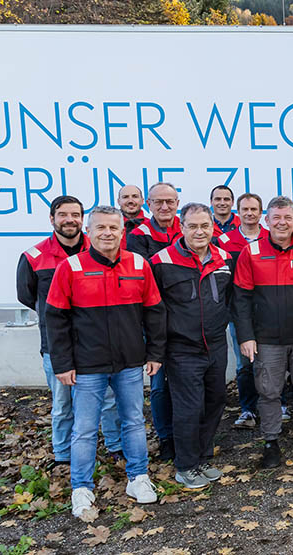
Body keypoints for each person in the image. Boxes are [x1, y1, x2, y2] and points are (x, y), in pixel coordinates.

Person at [44, 205, 163, 518]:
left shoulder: (139, 264)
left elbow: (154, 311)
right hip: (86, 366)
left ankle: (138, 478)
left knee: (135, 421)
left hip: (130, 363)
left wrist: (155, 353)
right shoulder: (70, 267)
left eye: (113, 228)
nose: (107, 233)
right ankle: (81, 487)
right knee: (84, 428)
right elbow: (55, 320)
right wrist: (62, 363)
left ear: (122, 231)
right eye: (101, 228)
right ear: (89, 231)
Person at [17, 196, 122, 467]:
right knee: (63, 405)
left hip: (99, 344)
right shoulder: (34, 257)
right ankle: (63, 455)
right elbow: (27, 296)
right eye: (63, 215)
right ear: (52, 219)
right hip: (57, 345)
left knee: (109, 401)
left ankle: (114, 446)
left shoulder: (101, 250)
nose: (69, 220)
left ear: (83, 221)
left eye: (75, 214)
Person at [233, 196, 293, 468]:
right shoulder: (250, 253)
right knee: (269, 392)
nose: (282, 222)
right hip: (266, 340)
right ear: (266, 221)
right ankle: (271, 442)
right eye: (276, 217)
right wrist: (246, 336)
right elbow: (240, 299)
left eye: (287, 217)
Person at [150, 203, 233, 490]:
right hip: (181, 348)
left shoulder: (224, 258)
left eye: (205, 226)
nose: (200, 231)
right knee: (189, 407)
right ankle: (185, 465)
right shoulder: (161, 261)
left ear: (213, 227)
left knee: (215, 400)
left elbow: (230, 299)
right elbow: (152, 308)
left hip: (216, 345)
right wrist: (156, 350)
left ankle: (203, 456)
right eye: (193, 226)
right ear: (181, 227)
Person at [125, 181, 180, 461]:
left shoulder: (189, 227)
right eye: (158, 202)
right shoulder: (138, 235)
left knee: (187, 382)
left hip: (187, 318)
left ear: (177, 203)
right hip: (155, 320)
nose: (164, 207)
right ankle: (166, 437)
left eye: (169, 201)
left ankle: (186, 434)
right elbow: (146, 276)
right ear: (149, 204)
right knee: (159, 385)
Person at [217, 193, 266, 430]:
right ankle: (248, 409)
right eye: (245, 209)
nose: (249, 213)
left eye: (254, 209)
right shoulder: (225, 241)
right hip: (239, 312)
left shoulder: (271, 236)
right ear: (238, 212)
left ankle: (278, 405)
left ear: (261, 212)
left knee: (273, 362)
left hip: (269, 311)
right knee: (245, 363)